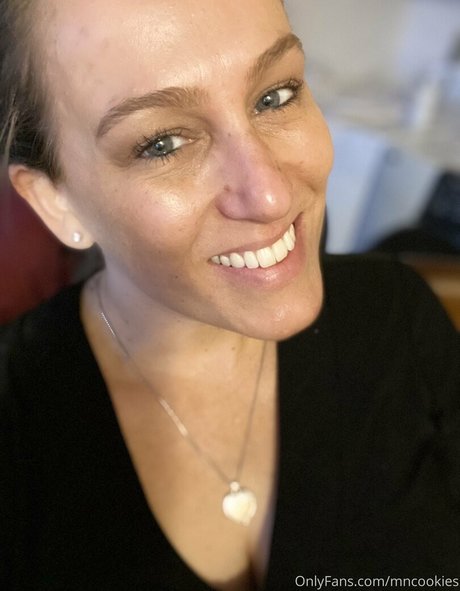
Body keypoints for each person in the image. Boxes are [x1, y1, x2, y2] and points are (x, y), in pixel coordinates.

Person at [0, 0, 458, 589]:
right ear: (54, 201)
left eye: (275, 96)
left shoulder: (398, 319)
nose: (269, 196)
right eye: (163, 143)